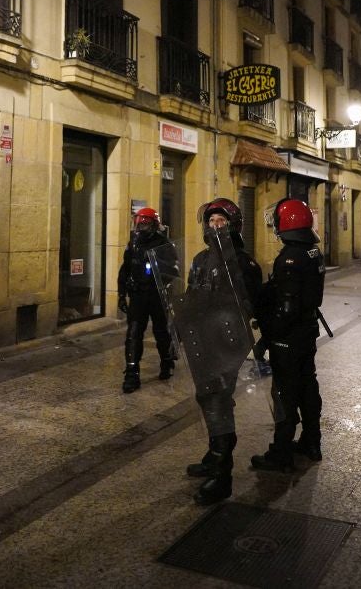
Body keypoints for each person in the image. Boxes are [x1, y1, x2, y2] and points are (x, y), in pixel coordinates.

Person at [183, 198, 262, 505]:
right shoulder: (201, 259)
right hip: (203, 340)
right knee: (207, 398)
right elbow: (191, 294)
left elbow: (251, 303)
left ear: (233, 226)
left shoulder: (242, 263)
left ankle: (222, 474)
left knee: (217, 401)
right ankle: (214, 454)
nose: (215, 226)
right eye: (212, 221)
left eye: (221, 221)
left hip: (228, 342)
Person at [251, 198, 326, 474]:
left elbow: (286, 308)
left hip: (289, 337)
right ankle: (311, 442)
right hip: (307, 331)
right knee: (308, 386)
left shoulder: (290, 257)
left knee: (284, 393)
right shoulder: (313, 252)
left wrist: (268, 336)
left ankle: (281, 453)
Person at [117, 207, 178, 393]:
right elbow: (125, 269)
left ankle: (167, 362)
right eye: (138, 223)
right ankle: (132, 373)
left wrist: (158, 270)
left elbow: (173, 271)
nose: (140, 227)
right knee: (133, 333)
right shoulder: (134, 243)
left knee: (161, 332)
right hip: (138, 295)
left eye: (144, 224)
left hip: (157, 295)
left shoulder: (164, 244)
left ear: (153, 225)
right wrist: (121, 294)